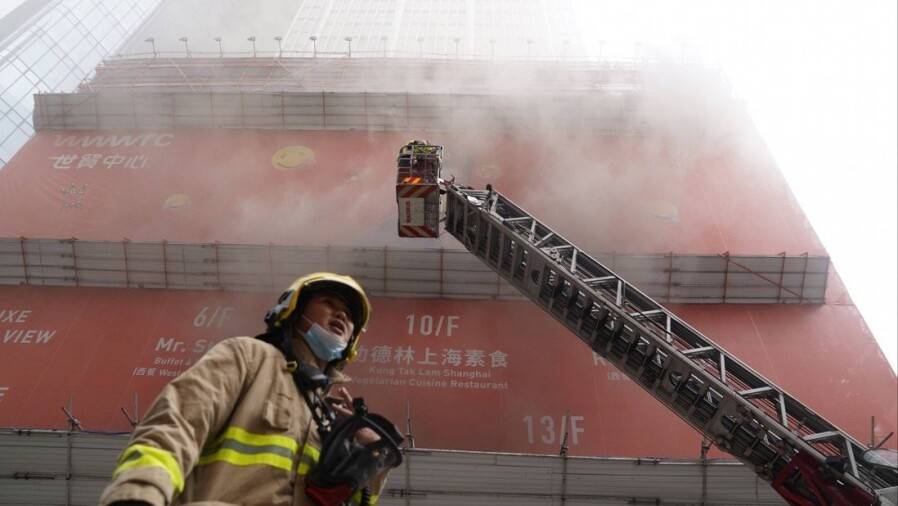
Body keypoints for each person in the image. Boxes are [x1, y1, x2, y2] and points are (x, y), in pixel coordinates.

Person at [99, 272, 403, 506]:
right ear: (293, 310)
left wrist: (370, 460)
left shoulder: (328, 421)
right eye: (329, 303)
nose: (342, 316)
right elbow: (177, 425)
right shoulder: (249, 357)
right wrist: (138, 494)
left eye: (349, 316)